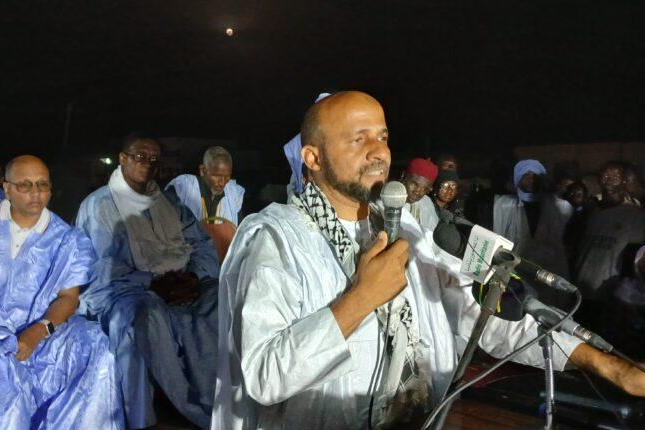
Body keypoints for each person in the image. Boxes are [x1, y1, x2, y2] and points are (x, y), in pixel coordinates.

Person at [211, 91, 645, 430]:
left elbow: (488, 319)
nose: (378, 151)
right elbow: (265, 376)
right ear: (313, 157)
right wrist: (361, 299)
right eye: (358, 138)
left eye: (382, 137)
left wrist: (613, 369)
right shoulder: (275, 238)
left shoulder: (411, 233)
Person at [0, 155, 123, 429]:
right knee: (1, 377)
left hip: (40, 330)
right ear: (7, 188)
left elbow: (68, 298)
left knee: (94, 344)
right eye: (25, 185)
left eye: (42, 184)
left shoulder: (67, 239)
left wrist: (39, 330)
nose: (35, 193)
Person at [76, 134, 220, 429]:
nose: (148, 163)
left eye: (154, 158)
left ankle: (218, 403)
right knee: (145, 315)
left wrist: (193, 278)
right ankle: (153, 417)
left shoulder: (168, 202)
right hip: (124, 289)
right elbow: (104, 268)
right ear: (122, 159)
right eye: (140, 156)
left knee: (221, 299)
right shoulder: (101, 206)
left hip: (179, 283)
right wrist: (153, 284)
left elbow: (201, 245)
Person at [492, 160, 574, 293]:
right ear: (517, 179)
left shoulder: (560, 206)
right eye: (526, 176)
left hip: (549, 272)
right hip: (516, 270)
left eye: (535, 176)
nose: (531, 180)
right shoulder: (504, 205)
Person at [574, 161, 645, 300]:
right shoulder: (591, 213)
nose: (610, 179)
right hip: (580, 289)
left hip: (610, 294)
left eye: (615, 175)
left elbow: (637, 259)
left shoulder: (635, 216)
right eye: (606, 175)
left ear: (624, 180)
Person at [166, 146, 244, 225]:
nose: (222, 182)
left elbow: (240, 228)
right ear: (203, 170)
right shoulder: (182, 187)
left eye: (227, 176)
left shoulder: (234, 193)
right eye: (216, 176)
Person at [402, 157, 440, 232]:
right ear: (403, 175)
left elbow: (433, 232)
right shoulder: (387, 197)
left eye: (424, 189)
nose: (417, 192)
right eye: (414, 184)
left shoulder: (427, 202)